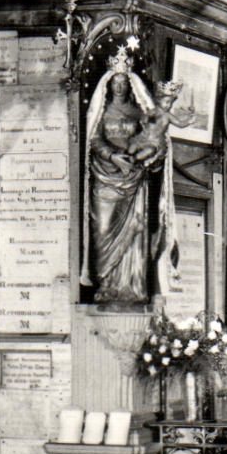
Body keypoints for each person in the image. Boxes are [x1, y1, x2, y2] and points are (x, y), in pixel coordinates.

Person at [85, 66, 181, 307]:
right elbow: (93, 139)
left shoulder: (140, 112)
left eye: (123, 82)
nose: (119, 87)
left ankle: (132, 288)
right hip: (105, 177)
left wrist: (148, 155)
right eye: (115, 82)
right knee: (102, 231)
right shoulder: (101, 111)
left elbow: (153, 137)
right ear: (108, 85)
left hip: (134, 177)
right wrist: (112, 156)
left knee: (135, 232)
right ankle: (105, 286)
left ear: (130, 86)